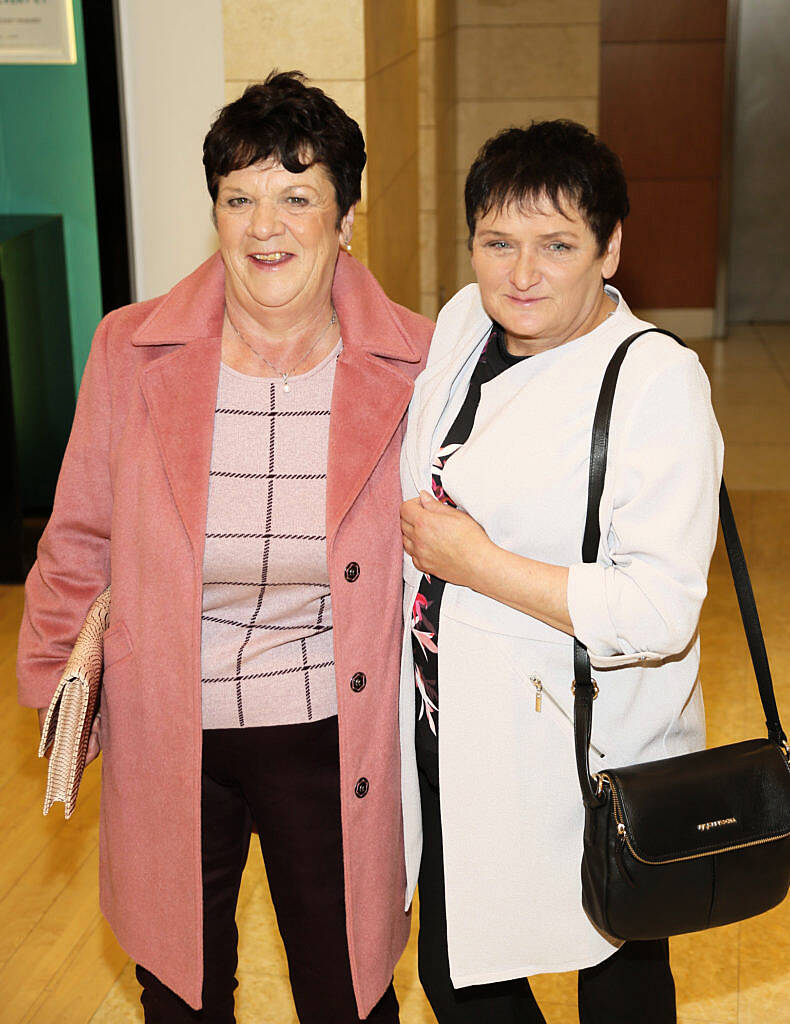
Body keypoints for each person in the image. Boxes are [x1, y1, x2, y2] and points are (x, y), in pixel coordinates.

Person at [17, 71, 432, 1023]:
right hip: (169, 724)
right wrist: (58, 688)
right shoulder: (132, 350)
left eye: (296, 196)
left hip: (330, 726)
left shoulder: (414, 361)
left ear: (346, 216)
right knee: (182, 990)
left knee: (345, 989)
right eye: (238, 198)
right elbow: (79, 532)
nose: (264, 226)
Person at [399, 120, 724, 1023]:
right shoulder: (467, 321)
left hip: (585, 751)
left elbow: (659, 609)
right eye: (497, 243)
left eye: (557, 245)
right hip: (450, 726)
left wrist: (481, 565)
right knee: (457, 974)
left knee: (615, 977)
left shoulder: (656, 381)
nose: (521, 275)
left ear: (610, 248)